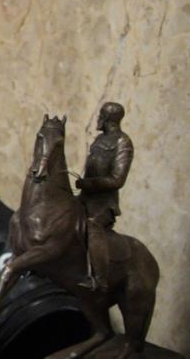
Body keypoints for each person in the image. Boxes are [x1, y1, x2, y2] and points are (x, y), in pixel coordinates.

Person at [75, 101, 133, 291]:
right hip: (84, 199)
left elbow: (117, 180)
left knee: (92, 225)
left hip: (103, 205)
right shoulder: (99, 140)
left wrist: (89, 184)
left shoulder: (123, 142)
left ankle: (99, 279)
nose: (98, 119)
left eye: (101, 116)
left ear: (108, 118)